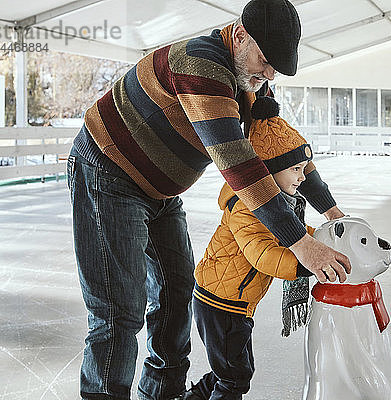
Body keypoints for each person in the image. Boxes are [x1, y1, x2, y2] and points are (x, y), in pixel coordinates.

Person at [67, 0, 351, 399]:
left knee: (175, 292)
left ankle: (162, 393)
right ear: (239, 36)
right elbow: (240, 164)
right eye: (266, 61)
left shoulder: (249, 80)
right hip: (109, 172)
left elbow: (282, 151)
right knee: (119, 312)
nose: (269, 75)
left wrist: (332, 209)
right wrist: (300, 242)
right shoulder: (201, 66)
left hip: (160, 190)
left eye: (276, 69)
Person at [184, 96, 317, 400]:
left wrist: (318, 239)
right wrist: (307, 263)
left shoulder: (276, 206)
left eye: (303, 169)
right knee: (234, 378)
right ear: (270, 171)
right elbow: (262, 254)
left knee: (232, 371)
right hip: (220, 304)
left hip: (233, 304)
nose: (301, 177)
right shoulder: (248, 206)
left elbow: (293, 233)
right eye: (295, 169)